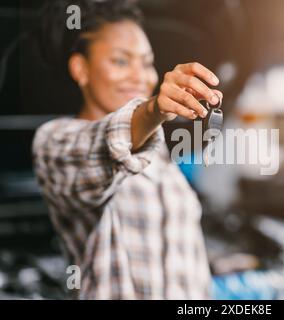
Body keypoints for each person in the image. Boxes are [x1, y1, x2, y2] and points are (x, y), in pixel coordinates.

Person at [32, 0, 223, 299]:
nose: (140, 76)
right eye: (121, 61)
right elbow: (105, 145)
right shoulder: (55, 142)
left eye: (147, 62)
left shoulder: (159, 155)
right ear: (80, 69)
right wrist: (153, 110)